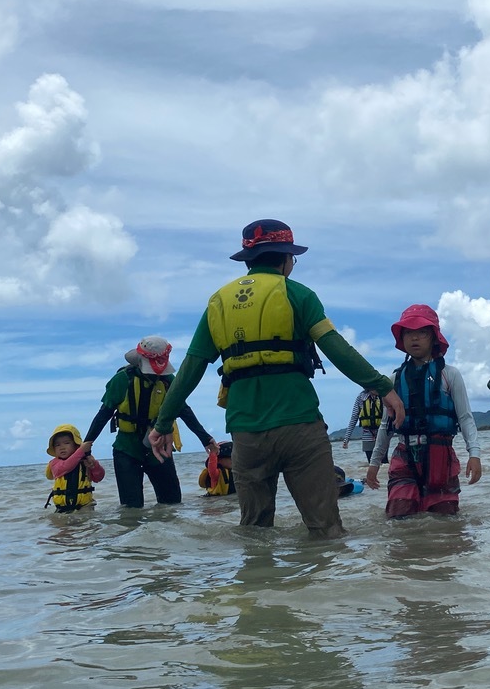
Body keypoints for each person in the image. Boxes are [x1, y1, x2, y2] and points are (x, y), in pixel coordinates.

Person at [150, 219, 404, 538]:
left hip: (247, 432)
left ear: (249, 260)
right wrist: (382, 386)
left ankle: (259, 584)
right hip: (299, 425)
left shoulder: (218, 302)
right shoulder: (298, 294)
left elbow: (190, 369)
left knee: (255, 534)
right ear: (285, 259)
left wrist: (162, 425)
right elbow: (337, 348)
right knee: (325, 529)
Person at [365, 304, 482, 516]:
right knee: (399, 514)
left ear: (434, 337)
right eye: (409, 332)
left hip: (441, 455)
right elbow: (386, 426)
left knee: (444, 519)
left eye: (422, 332)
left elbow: (465, 418)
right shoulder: (394, 380)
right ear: (402, 338)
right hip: (404, 455)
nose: (414, 338)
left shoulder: (450, 375)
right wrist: (374, 464)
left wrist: (474, 454)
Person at [83, 337, 216, 508]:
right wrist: (88, 444)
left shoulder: (169, 381)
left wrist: (205, 438)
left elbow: (184, 410)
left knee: (172, 505)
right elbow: (104, 414)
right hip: (127, 449)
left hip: (159, 449)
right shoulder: (122, 380)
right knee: (131, 510)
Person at [45, 425, 106, 513]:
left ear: (76, 445)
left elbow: (99, 477)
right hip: (62, 508)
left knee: (87, 524)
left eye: (67, 443)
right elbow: (66, 467)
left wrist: (94, 466)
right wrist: (81, 451)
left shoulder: (85, 461)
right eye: (57, 445)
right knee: (60, 525)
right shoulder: (54, 463)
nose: (62, 447)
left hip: (85, 506)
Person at [342, 389, 384, 462]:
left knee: (384, 463)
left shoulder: (383, 396)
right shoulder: (361, 397)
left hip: (382, 434)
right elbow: (354, 418)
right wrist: (346, 439)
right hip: (367, 435)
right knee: (371, 462)